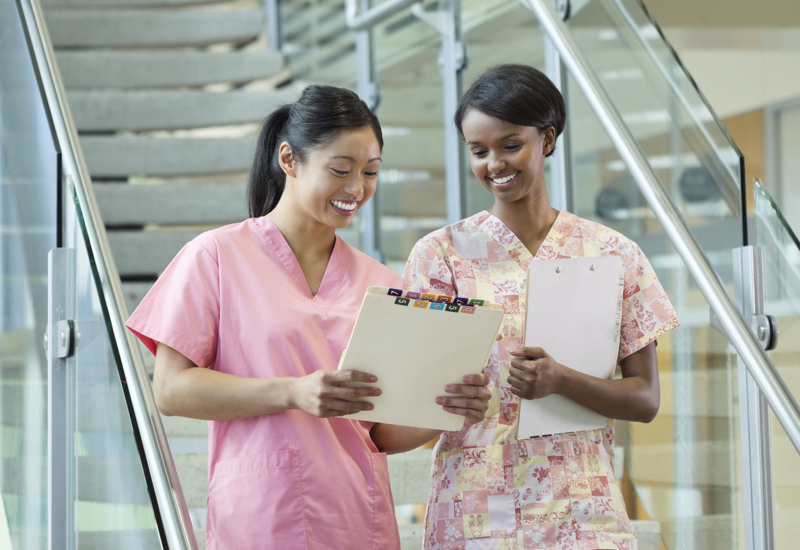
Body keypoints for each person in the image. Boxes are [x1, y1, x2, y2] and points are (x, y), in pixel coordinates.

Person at [125, 85, 492, 550]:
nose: (357, 189)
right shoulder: (215, 256)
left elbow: (379, 432)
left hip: (357, 517)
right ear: (289, 159)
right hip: (261, 516)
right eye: (340, 170)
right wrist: (293, 391)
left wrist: (444, 410)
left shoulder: (384, 283)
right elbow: (172, 390)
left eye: (371, 172)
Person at [403, 65, 680, 550]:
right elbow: (416, 395)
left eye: (511, 145)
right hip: (477, 504)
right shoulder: (440, 255)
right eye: (478, 151)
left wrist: (562, 380)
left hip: (584, 506)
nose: (495, 163)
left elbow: (645, 400)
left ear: (547, 139)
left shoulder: (613, 254)